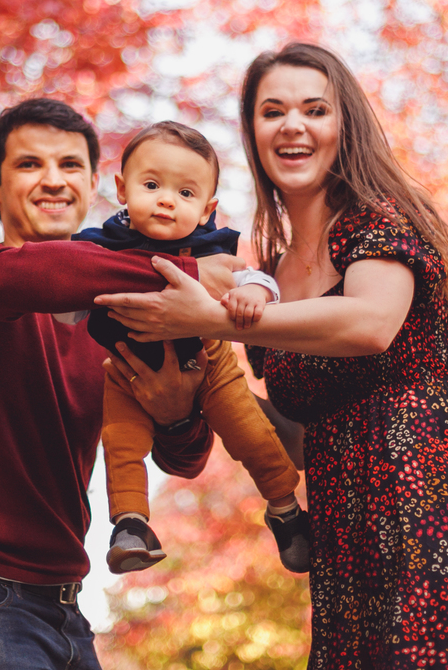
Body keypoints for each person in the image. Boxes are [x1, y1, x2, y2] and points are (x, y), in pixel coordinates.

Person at [95, 44, 448, 668]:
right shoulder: (269, 277)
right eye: (273, 111)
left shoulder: (374, 221)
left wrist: (211, 319)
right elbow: (286, 427)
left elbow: (371, 324)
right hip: (345, 529)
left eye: (315, 109)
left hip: (437, 501)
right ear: (254, 132)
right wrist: (181, 406)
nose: (293, 124)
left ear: (345, 127)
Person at [0, 98, 236, 670]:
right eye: (29, 165)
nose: (53, 180)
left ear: (100, 184)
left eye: (71, 165)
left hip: (65, 604)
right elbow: (41, 271)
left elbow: (187, 459)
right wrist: (191, 272)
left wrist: (176, 414)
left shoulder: (121, 317)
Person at [62, 120, 310, 575]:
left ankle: (285, 509)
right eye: (151, 184)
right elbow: (64, 295)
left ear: (206, 209)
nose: (165, 199)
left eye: (186, 194)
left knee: (251, 433)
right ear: (121, 188)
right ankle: (130, 525)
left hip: (209, 362)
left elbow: (254, 278)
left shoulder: (208, 248)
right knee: (120, 444)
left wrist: (252, 295)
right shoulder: (100, 246)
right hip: (124, 367)